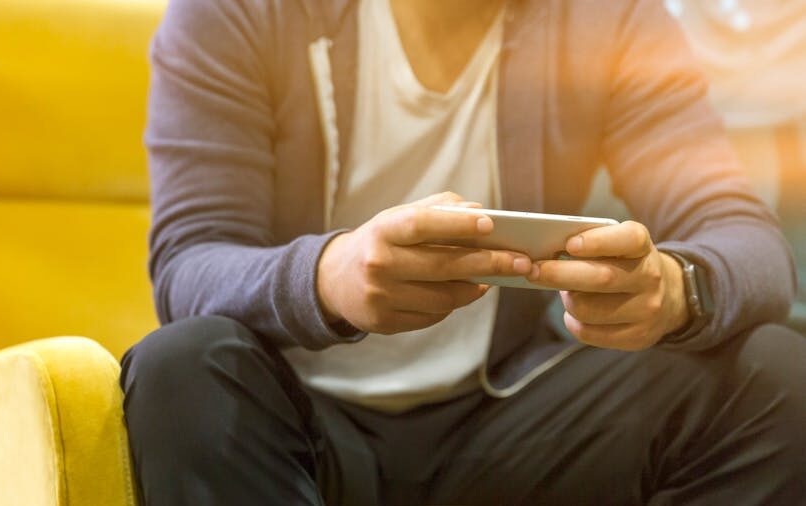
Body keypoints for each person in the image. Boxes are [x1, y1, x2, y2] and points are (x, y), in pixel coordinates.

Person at [120, 0, 806, 504]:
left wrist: (676, 287)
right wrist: (331, 276)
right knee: (180, 367)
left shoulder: (611, 18)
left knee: (774, 372)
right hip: (295, 422)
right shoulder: (236, 13)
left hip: (511, 423)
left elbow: (747, 242)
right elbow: (188, 265)